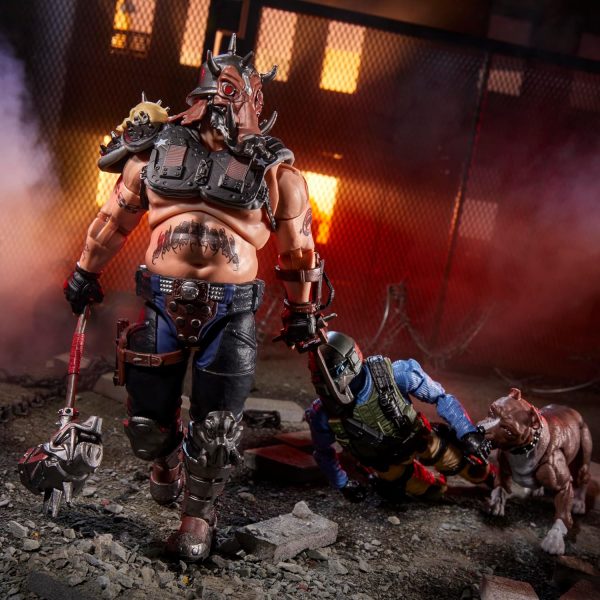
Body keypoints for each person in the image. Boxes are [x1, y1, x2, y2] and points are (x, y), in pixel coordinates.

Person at [64, 36, 326, 561]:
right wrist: (84, 272)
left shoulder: (279, 174)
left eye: (243, 95)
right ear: (204, 95)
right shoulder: (153, 154)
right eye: (225, 92)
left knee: (217, 427)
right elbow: (112, 221)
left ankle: (197, 521)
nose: (232, 105)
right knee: (146, 426)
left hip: (230, 311)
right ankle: (165, 461)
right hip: (161, 302)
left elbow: (299, 251)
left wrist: (304, 311)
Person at [306, 331, 495, 502]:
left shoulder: (396, 374)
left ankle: (493, 479)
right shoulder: (323, 413)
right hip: (385, 463)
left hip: (419, 440)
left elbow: (441, 397)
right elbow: (323, 452)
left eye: (334, 373)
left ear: (351, 361)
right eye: (321, 376)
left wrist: (467, 431)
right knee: (432, 491)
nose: (328, 383)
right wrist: (343, 483)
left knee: (471, 467)